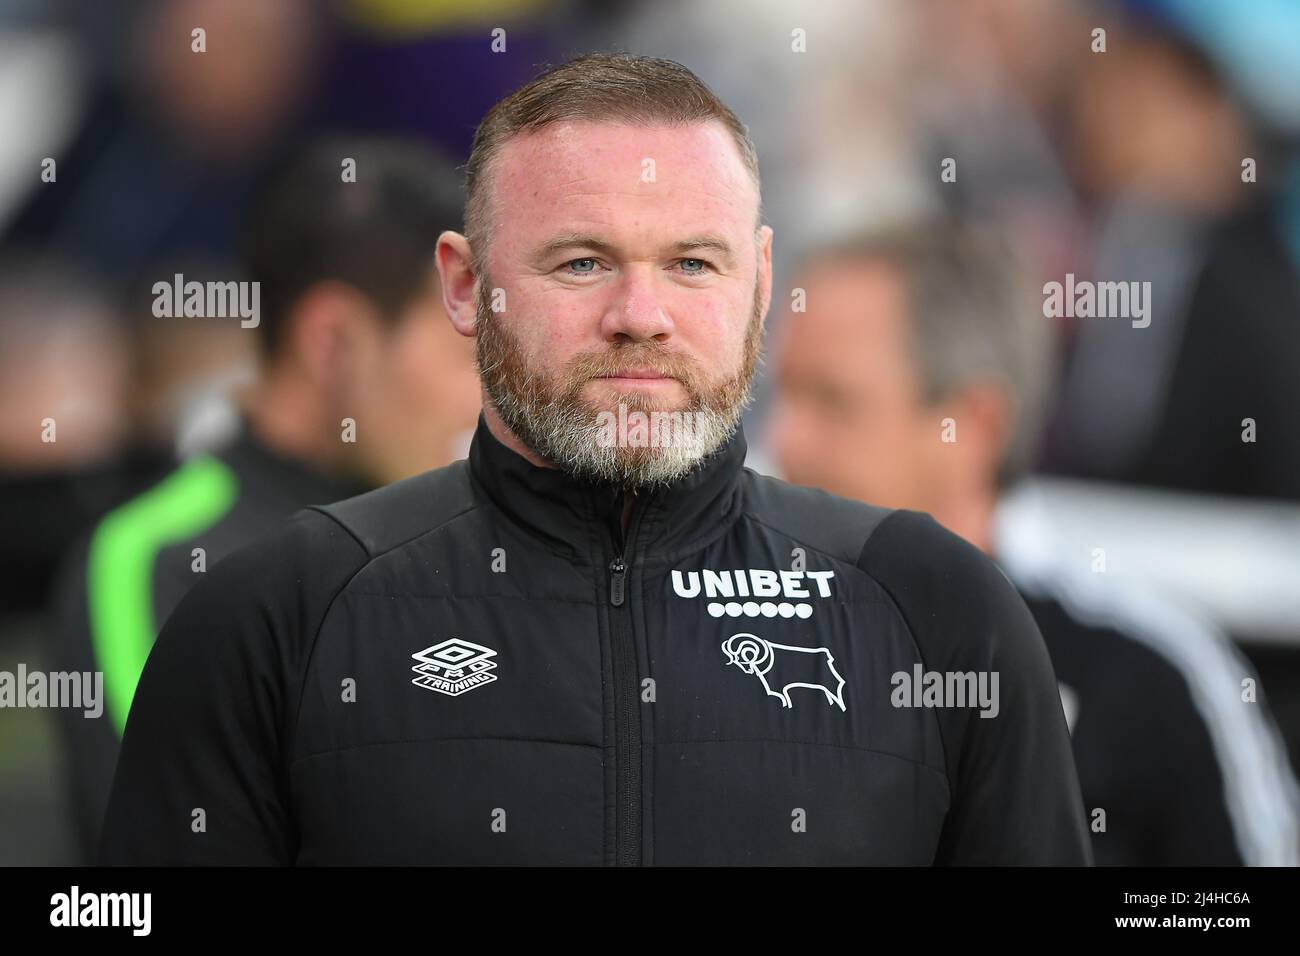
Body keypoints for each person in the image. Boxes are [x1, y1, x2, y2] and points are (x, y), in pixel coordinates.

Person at [99, 54, 1089, 866]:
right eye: (581, 262)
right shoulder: (273, 618)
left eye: (693, 263)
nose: (640, 317)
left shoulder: (943, 613)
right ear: (463, 284)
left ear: (760, 284)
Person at [768, 221, 1300, 865]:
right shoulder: (718, 625)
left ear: (970, 426)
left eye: (833, 402)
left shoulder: (1150, 673)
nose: (784, 442)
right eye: (783, 397)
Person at [54, 137, 481, 861]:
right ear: (334, 340)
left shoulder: (480, 536)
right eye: (464, 354)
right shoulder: (151, 559)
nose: (483, 397)